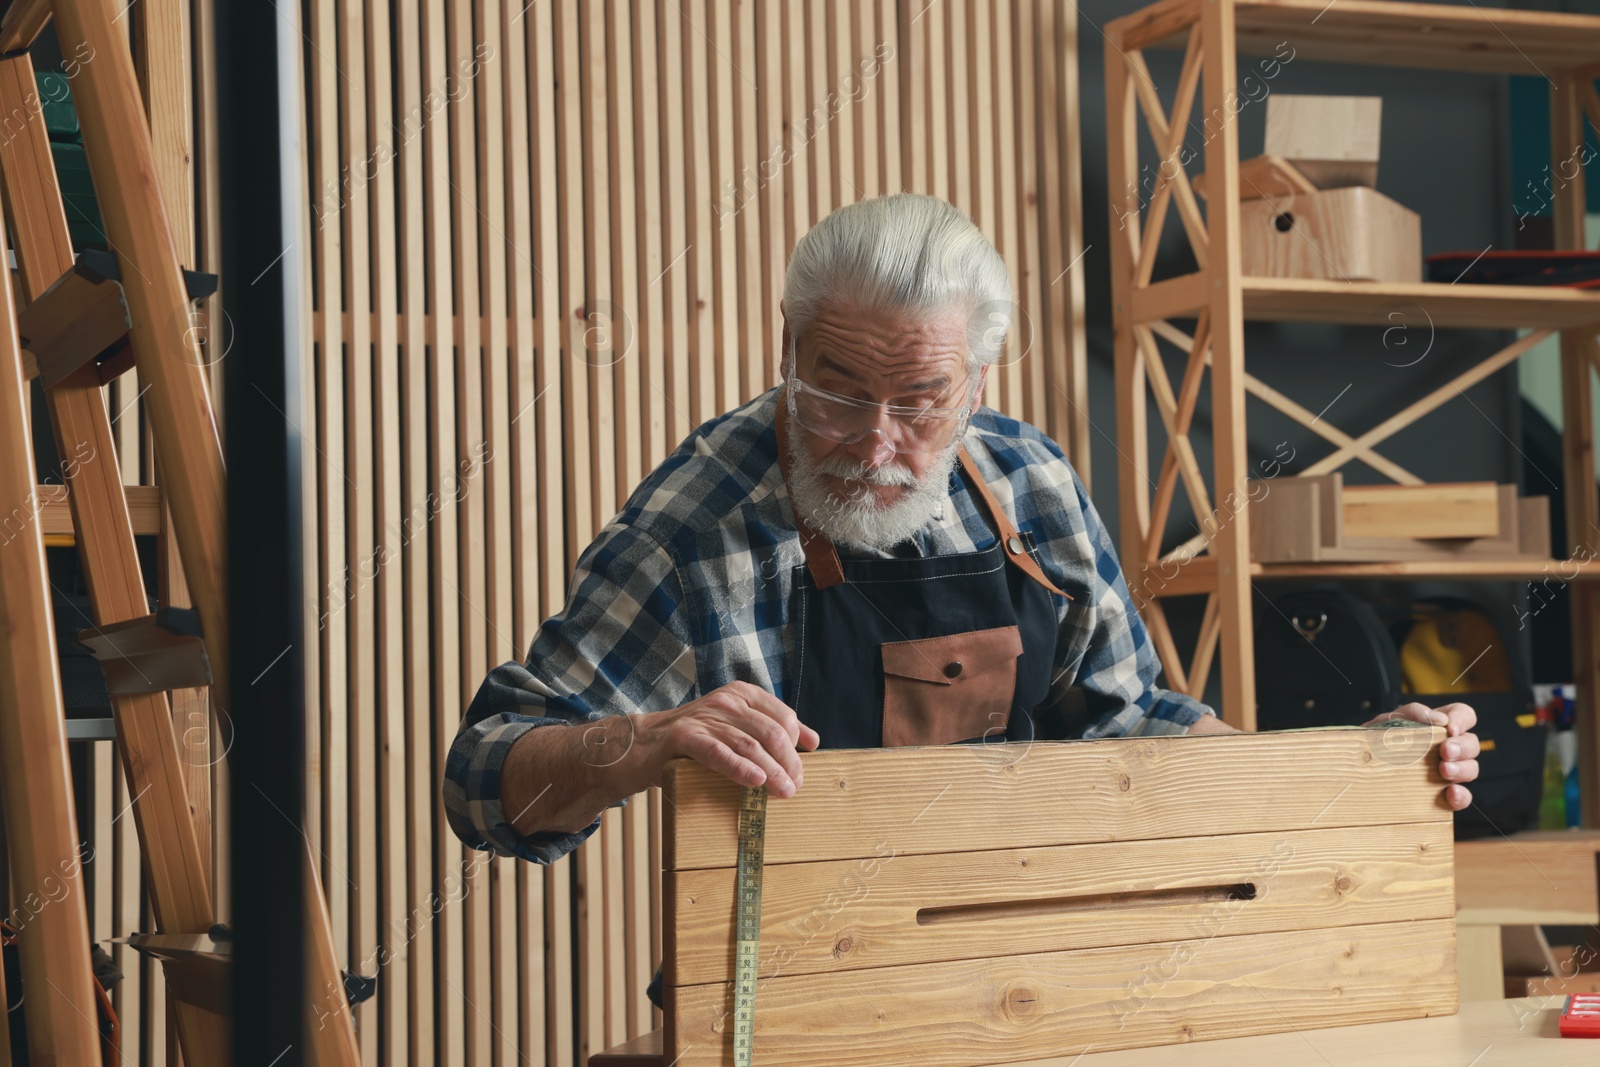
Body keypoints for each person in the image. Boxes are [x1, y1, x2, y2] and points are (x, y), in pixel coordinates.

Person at [443, 193, 1479, 966]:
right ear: (788, 347)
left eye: (921, 399)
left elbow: (1134, 727)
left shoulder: (1028, 482)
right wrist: (642, 741)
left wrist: (1349, 770)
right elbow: (481, 778)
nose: (874, 443)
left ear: (980, 380)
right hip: (796, 994)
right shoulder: (703, 519)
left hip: (1035, 969)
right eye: (836, 392)